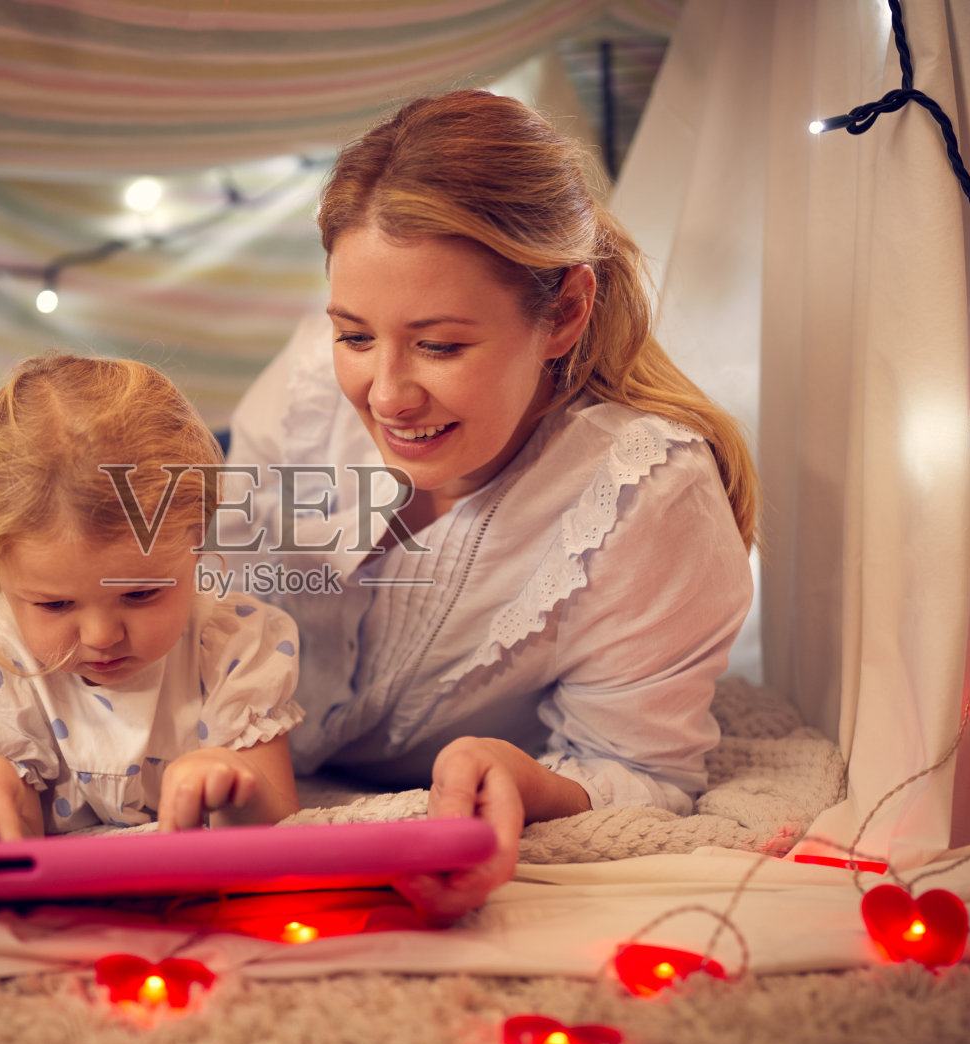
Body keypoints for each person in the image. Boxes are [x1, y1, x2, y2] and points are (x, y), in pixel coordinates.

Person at [218, 89, 759, 919]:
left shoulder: (646, 499)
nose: (388, 393)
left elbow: (643, 770)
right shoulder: (303, 393)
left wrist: (529, 777)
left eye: (439, 345)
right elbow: (198, 625)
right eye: (355, 335)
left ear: (565, 313)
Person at [0, 353, 304, 844]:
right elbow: (19, 839)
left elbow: (280, 817)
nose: (101, 637)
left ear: (197, 541)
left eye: (140, 594)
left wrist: (236, 783)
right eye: (56, 604)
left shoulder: (234, 648)